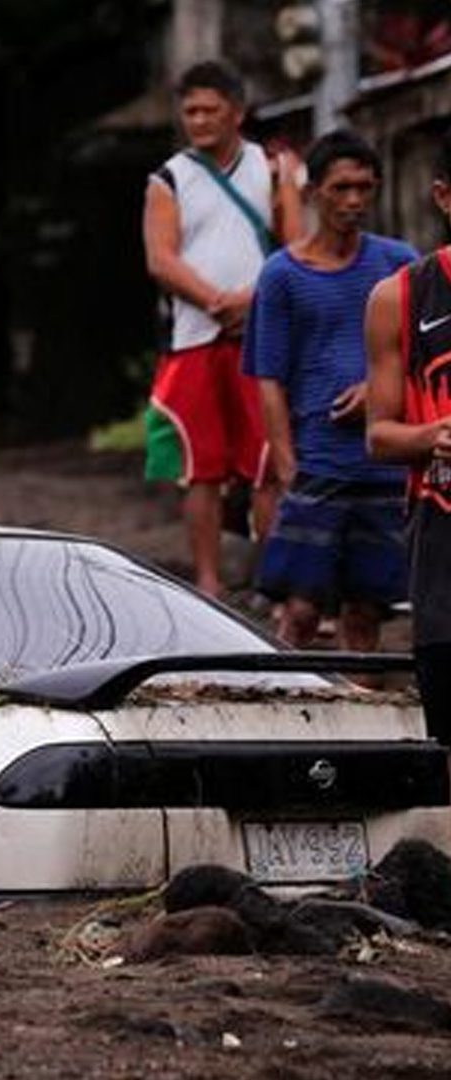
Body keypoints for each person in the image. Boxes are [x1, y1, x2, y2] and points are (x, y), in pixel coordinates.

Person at [245, 132, 418, 652]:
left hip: (382, 462)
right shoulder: (281, 275)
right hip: (317, 462)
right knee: (298, 609)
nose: (353, 201)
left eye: (364, 188)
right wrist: (286, 465)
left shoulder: (399, 263)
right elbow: (268, 376)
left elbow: (425, 355)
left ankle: (359, 722)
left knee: (366, 610)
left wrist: (379, 390)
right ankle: (287, 713)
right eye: (341, 188)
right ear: (315, 190)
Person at [142, 59, 300, 594]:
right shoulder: (168, 179)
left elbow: (295, 247)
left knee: (266, 461)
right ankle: (208, 583)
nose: (200, 120)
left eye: (211, 109)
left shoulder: (274, 168)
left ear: (237, 111)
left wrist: (253, 302)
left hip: (263, 335)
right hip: (194, 337)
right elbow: (160, 260)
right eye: (190, 111)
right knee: (200, 467)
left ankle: (269, 582)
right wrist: (217, 301)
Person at [366, 133, 451, 744]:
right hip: (442, 536)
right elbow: (380, 435)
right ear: (444, 197)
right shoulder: (400, 296)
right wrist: (433, 435)